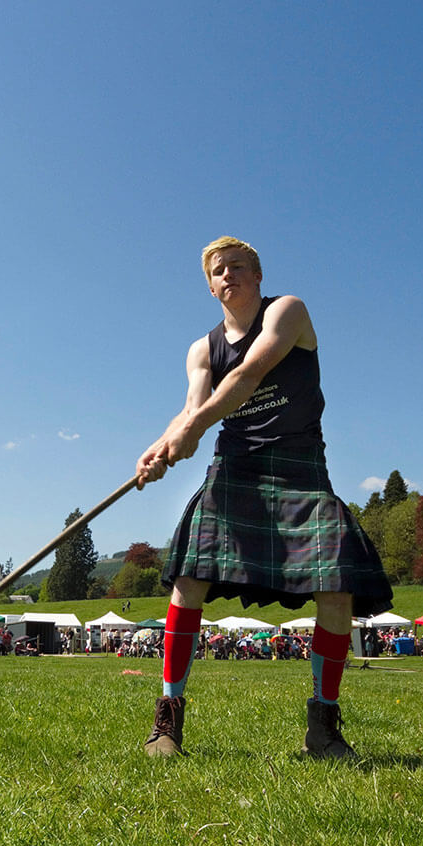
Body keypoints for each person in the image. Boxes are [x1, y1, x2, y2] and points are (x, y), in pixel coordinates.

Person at [135, 236, 393, 760]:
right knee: (189, 582)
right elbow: (193, 405)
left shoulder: (288, 311)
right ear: (210, 287)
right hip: (236, 468)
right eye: (218, 271)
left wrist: (193, 430)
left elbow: (250, 374)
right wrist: (161, 446)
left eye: (237, 267)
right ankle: (168, 721)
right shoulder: (201, 348)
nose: (227, 275)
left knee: (336, 590)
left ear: (257, 275)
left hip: (300, 465)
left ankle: (323, 724)